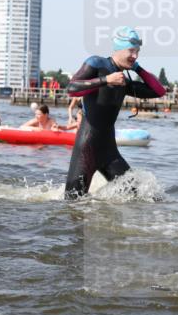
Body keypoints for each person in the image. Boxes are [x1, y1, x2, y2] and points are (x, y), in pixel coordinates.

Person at [64, 26, 166, 198]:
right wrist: (105, 80)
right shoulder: (96, 63)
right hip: (86, 149)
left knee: (137, 196)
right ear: (118, 48)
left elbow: (159, 91)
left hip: (109, 152)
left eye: (138, 52)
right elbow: (72, 89)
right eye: (131, 51)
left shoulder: (123, 80)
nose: (135, 56)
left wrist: (138, 69)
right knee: (72, 203)